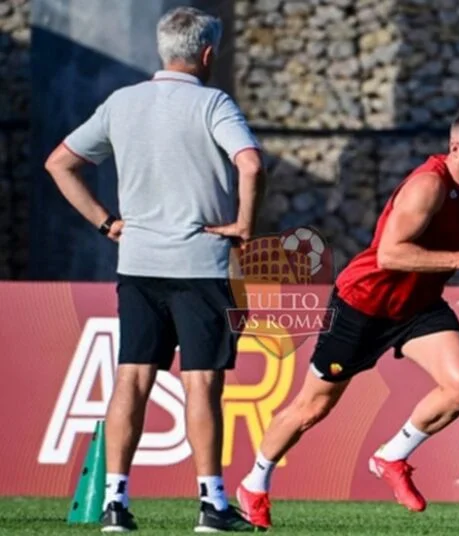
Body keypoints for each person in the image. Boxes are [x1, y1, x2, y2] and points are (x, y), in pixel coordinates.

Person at [235, 107, 459, 528]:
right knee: (312, 408)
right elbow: (389, 254)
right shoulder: (427, 186)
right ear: (455, 148)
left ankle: (392, 456)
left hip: (416, 305)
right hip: (364, 304)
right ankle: (254, 483)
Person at [44, 6, 264, 533]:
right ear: (208, 54)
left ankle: (115, 502)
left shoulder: (122, 102)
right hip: (199, 265)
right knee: (202, 384)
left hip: (139, 263)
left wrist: (105, 223)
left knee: (132, 379)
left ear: (163, 50)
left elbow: (60, 162)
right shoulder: (213, 102)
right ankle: (212, 504)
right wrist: (244, 225)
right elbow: (250, 162)